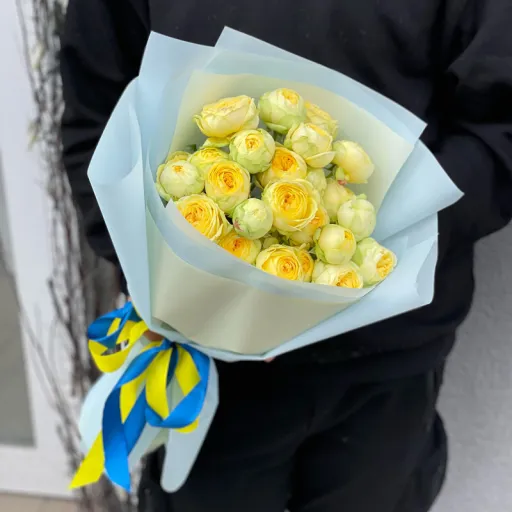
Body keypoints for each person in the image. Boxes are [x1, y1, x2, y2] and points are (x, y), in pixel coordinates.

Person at [60, 1, 512, 510]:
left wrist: (373, 235)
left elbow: (498, 132)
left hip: (385, 367)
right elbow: (95, 119)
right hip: (210, 366)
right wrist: (163, 283)